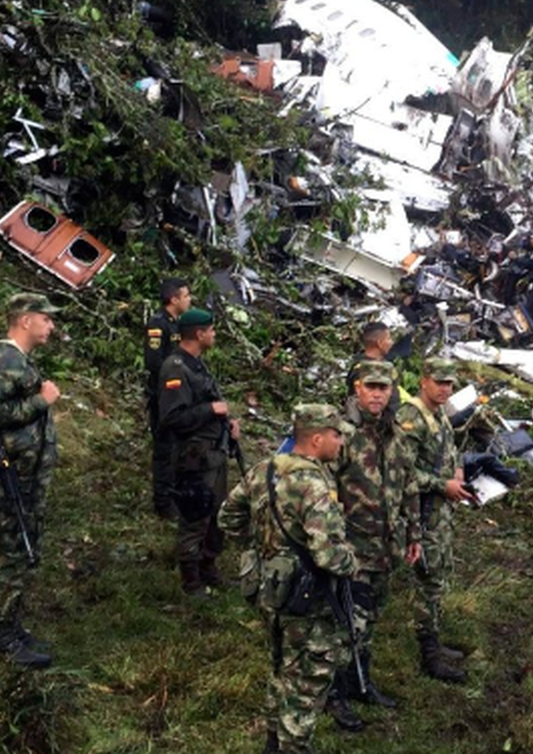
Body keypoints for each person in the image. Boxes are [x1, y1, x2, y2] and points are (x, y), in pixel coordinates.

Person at [219, 403, 357, 754]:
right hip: (306, 597)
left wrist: (262, 550)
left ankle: (272, 741)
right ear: (316, 438)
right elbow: (327, 554)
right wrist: (353, 563)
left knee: (281, 665)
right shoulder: (314, 485)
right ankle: (294, 745)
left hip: (270, 588)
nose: (340, 441)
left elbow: (228, 517)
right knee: (308, 680)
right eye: (335, 434)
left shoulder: (264, 470)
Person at [0, 292, 61, 668]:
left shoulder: (18, 361)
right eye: (46, 318)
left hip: (24, 472)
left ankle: (10, 623)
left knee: (23, 548)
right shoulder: (4, 360)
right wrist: (41, 401)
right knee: (13, 550)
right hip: (11, 473)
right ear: (25, 320)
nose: (51, 326)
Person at [332, 360, 421, 713]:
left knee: (370, 618)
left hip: (386, 545)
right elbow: (321, 489)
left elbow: (409, 485)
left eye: (384, 388)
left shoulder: (396, 434)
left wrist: (414, 532)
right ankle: (335, 693)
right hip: (350, 546)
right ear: (357, 388)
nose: (377, 394)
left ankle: (360, 683)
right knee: (346, 621)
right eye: (371, 387)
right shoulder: (341, 434)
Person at [396, 358, 470, 683]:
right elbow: (403, 471)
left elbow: (447, 450)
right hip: (422, 511)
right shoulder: (411, 416)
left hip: (440, 511)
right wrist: (444, 485)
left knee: (439, 574)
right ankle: (429, 653)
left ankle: (434, 640)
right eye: (439, 382)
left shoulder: (438, 412)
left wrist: (457, 471)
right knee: (428, 579)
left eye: (450, 384)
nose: (445, 389)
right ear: (424, 379)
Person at [158, 307, 239, 595]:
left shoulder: (197, 364)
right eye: (212, 330)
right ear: (199, 333)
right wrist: (210, 410)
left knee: (217, 516)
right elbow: (172, 418)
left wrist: (226, 423)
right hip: (194, 459)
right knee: (195, 515)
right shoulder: (176, 368)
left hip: (213, 455)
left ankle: (209, 568)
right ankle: (191, 582)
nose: (214, 335)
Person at [144, 278, 191, 520]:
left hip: (176, 397)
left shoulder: (178, 324)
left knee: (178, 447)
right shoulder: (158, 324)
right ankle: (162, 502)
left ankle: (174, 493)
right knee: (164, 449)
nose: (189, 300)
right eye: (186, 296)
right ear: (174, 299)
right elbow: (154, 363)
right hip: (163, 397)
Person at [345, 322, 403, 412]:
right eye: (388, 338)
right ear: (379, 343)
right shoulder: (360, 369)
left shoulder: (386, 365)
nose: (391, 342)